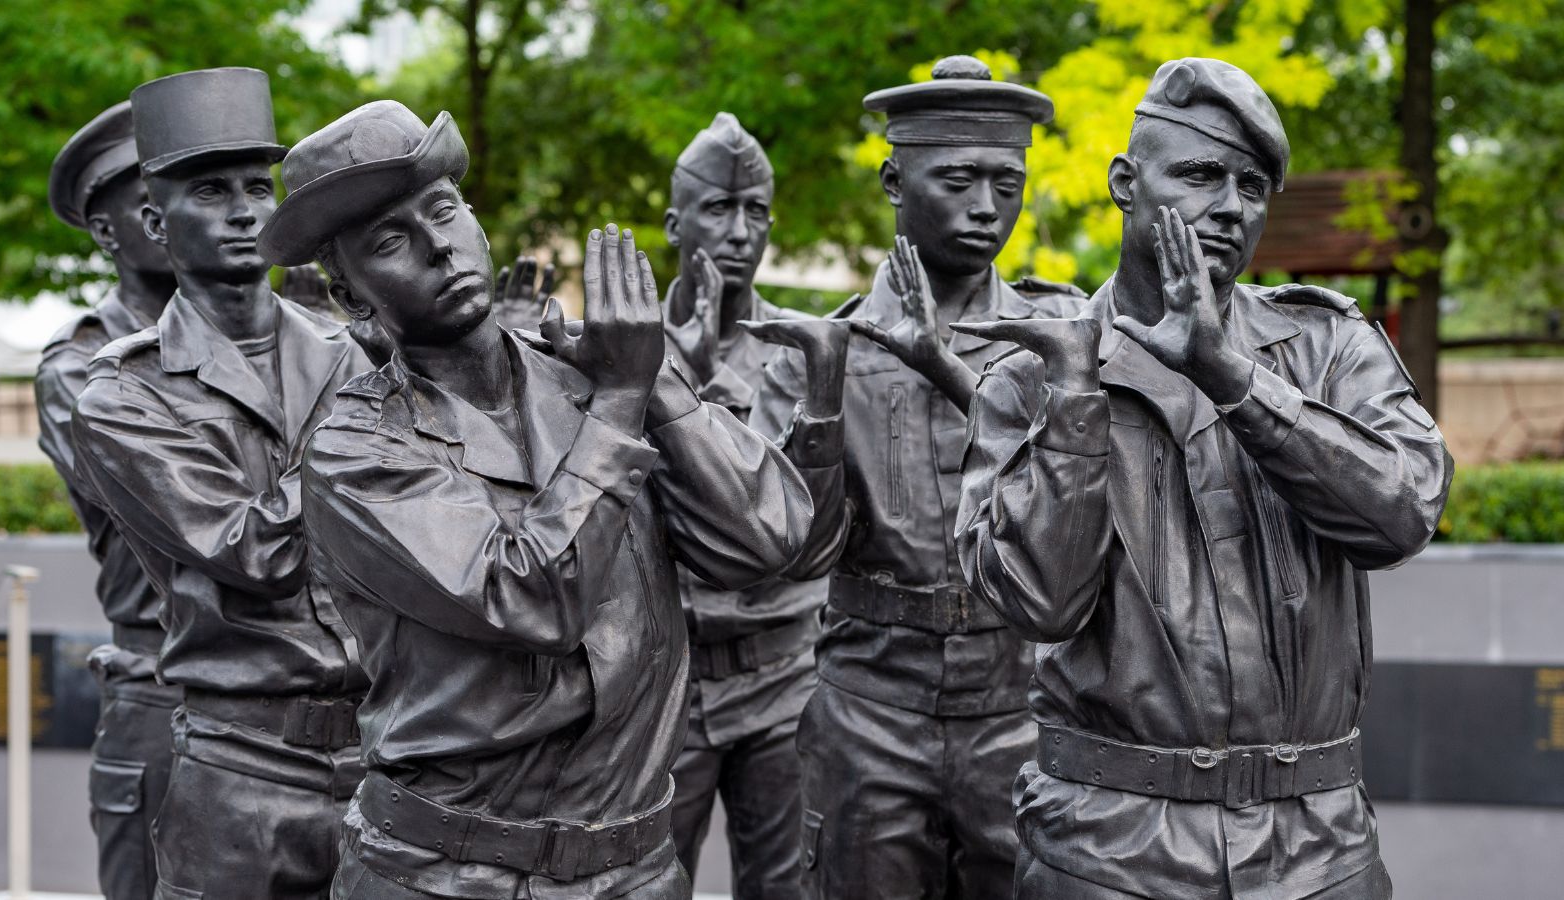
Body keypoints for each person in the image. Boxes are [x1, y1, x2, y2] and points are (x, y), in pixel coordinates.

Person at [260, 100, 813, 899]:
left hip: (635, 870)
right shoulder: (354, 452)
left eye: (444, 211)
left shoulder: (597, 374)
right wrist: (622, 403)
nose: (436, 248)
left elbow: (766, 542)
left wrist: (653, 381)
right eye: (389, 241)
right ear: (350, 298)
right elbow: (532, 599)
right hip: (450, 875)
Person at [953, 58, 1453, 899]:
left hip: (1318, 848)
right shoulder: (1032, 377)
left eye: (1251, 186)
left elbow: (1403, 512)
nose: (1229, 206)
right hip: (1108, 849)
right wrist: (1077, 406)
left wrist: (1239, 382)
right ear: (1125, 182)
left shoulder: (1326, 346)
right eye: (1199, 174)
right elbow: (1037, 605)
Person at [746, 55, 1084, 899]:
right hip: (868, 710)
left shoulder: (1063, 338)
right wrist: (824, 394)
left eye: (1007, 183)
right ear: (896, 180)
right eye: (959, 179)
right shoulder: (825, 347)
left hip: (1025, 703)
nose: (985, 207)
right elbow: (797, 551)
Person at [72, 67, 373, 899]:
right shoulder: (123, 393)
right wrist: (374, 424)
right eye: (211, 191)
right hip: (243, 775)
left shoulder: (349, 354)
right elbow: (259, 553)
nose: (246, 211)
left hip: (386, 762)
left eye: (258, 187)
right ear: (155, 223)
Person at [658, 112, 824, 899]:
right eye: (718, 210)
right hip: (667, 688)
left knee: (785, 886)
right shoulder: (624, 355)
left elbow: (804, 517)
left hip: (782, 677)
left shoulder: (805, 350)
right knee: (652, 881)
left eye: (755, 211)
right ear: (674, 223)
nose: (738, 231)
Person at [40, 99, 179, 900]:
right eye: (146, 205)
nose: (169, 220)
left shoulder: (281, 342)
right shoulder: (79, 368)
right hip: (160, 683)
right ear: (106, 232)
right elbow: (186, 517)